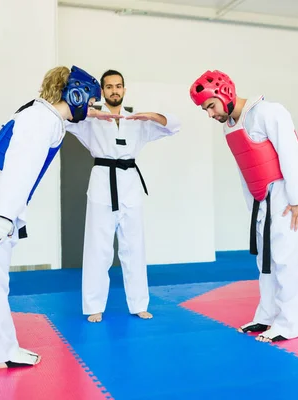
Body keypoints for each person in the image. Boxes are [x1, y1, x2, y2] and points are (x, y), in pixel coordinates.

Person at [0, 65, 102, 368]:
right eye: (89, 102)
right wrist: (5, 217)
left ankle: (3, 349)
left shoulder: (41, 115)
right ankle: (2, 353)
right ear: (75, 93)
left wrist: (9, 216)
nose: (90, 109)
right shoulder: (42, 120)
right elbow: (20, 169)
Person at [189, 70, 298, 343]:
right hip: (263, 199)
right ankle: (266, 316)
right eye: (205, 110)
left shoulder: (270, 112)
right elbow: (245, 169)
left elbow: (291, 154)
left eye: (210, 106)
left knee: (286, 260)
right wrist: (254, 204)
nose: (209, 114)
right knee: (266, 262)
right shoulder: (231, 126)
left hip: (286, 193)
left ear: (224, 93)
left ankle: (288, 324)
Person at [64, 69, 181, 323]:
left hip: (130, 187)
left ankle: (139, 304)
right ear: (103, 91)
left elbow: (174, 126)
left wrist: (150, 114)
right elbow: (61, 120)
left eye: (118, 86)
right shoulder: (91, 120)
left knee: (134, 248)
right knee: (98, 249)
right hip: (101, 186)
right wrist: (88, 110)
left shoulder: (137, 121)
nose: (114, 90)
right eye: (109, 87)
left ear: (124, 90)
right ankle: (94, 306)